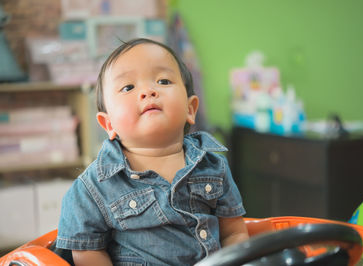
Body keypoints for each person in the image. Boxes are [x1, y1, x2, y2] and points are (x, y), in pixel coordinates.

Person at [56, 38, 249, 266]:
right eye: (128, 87)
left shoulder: (213, 166)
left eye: (163, 81)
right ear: (108, 124)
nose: (148, 91)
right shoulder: (92, 188)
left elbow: (234, 234)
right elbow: (88, 252)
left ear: (190, 109)